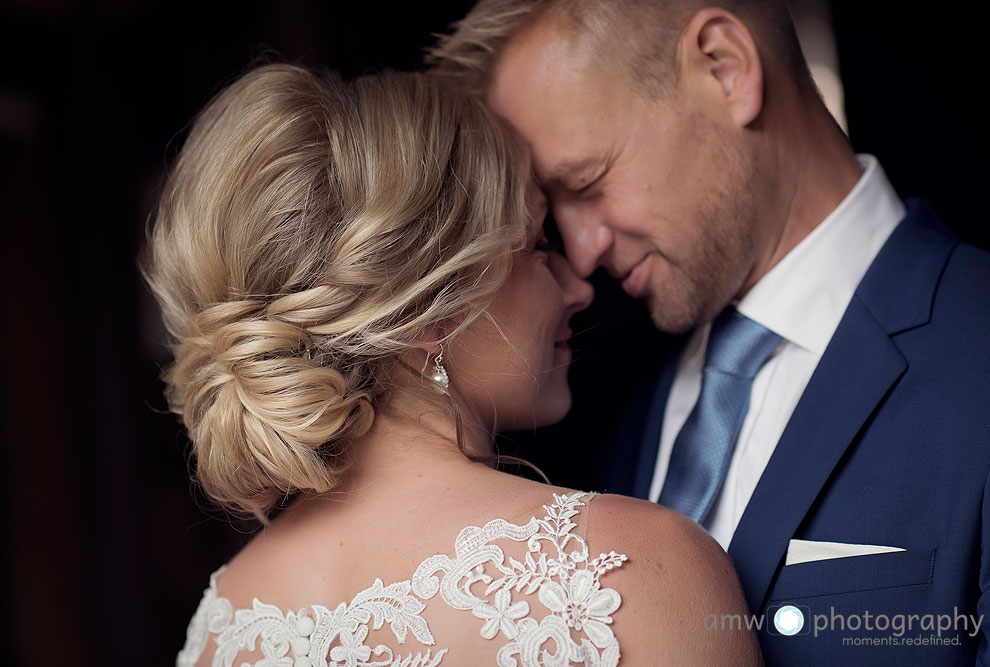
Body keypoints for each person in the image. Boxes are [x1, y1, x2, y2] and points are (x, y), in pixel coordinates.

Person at [429, 0, 990, 664]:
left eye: (586, 180)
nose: (580, 255)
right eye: (552, 211)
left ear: (725, 68)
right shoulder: (600, 390)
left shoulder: (984, 352)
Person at [140, 63, 762, 666]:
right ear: (430, 306)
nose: (579, 287)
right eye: (540, 246)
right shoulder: (620, 575)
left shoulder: (220, 625)